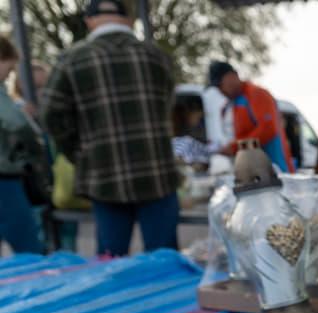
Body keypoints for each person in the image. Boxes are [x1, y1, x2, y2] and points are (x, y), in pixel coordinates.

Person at [40, 0, 179, 257]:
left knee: (110, 261)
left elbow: (50, 115)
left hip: (104, 174)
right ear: (128, 20)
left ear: (89, 21)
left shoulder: (72, 59)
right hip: (157, 169)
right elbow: (168, 105)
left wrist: (78, 152)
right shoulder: (157, 57)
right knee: (166, 262)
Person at [0, 36, 45, 254]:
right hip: (4, 178)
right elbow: (17, 124)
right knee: (28, 245)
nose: (8, 76)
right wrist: (36, 150)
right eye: (8, 69)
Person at [209, 61, 295, 173]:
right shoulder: (234, 103)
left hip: (277, 169)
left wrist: (234, 147)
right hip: (255, 172)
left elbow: (268, 130)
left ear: (232, 76)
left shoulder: (257, 94)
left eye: (220, 85)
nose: (220, 91)